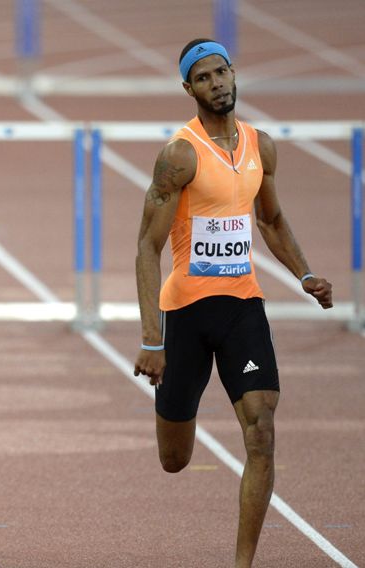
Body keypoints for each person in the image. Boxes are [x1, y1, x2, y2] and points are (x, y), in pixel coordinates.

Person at [133, 39, 333, 567]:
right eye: (204, 78)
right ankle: (174, 404)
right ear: (188, 88)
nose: (217, 83)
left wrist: (305, 273)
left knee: (261, 428)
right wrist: (153, 337)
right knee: (174, 459)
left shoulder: (260, 146)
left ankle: (242, 563)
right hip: (186, 315)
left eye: (222, 72)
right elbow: (147, 248)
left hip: (243, 306)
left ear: (234, 73)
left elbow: (269, 219)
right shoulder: (179, 155)